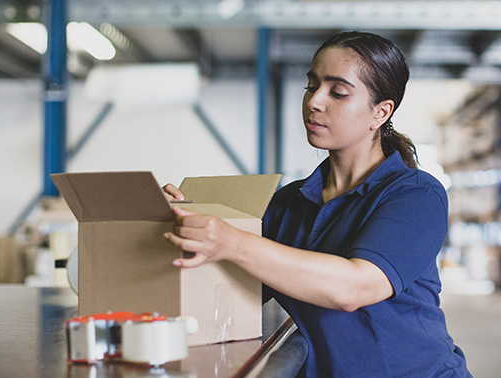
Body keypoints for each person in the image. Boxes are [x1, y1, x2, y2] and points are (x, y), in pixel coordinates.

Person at [163, 31, 472, 377]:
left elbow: (354, 287)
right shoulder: (286, 203)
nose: (315, 102)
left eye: (337, 92)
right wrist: (176, 219)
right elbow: (232, 287)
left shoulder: (416, 194)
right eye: (312, 86)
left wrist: (231, 241)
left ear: (380, 112)